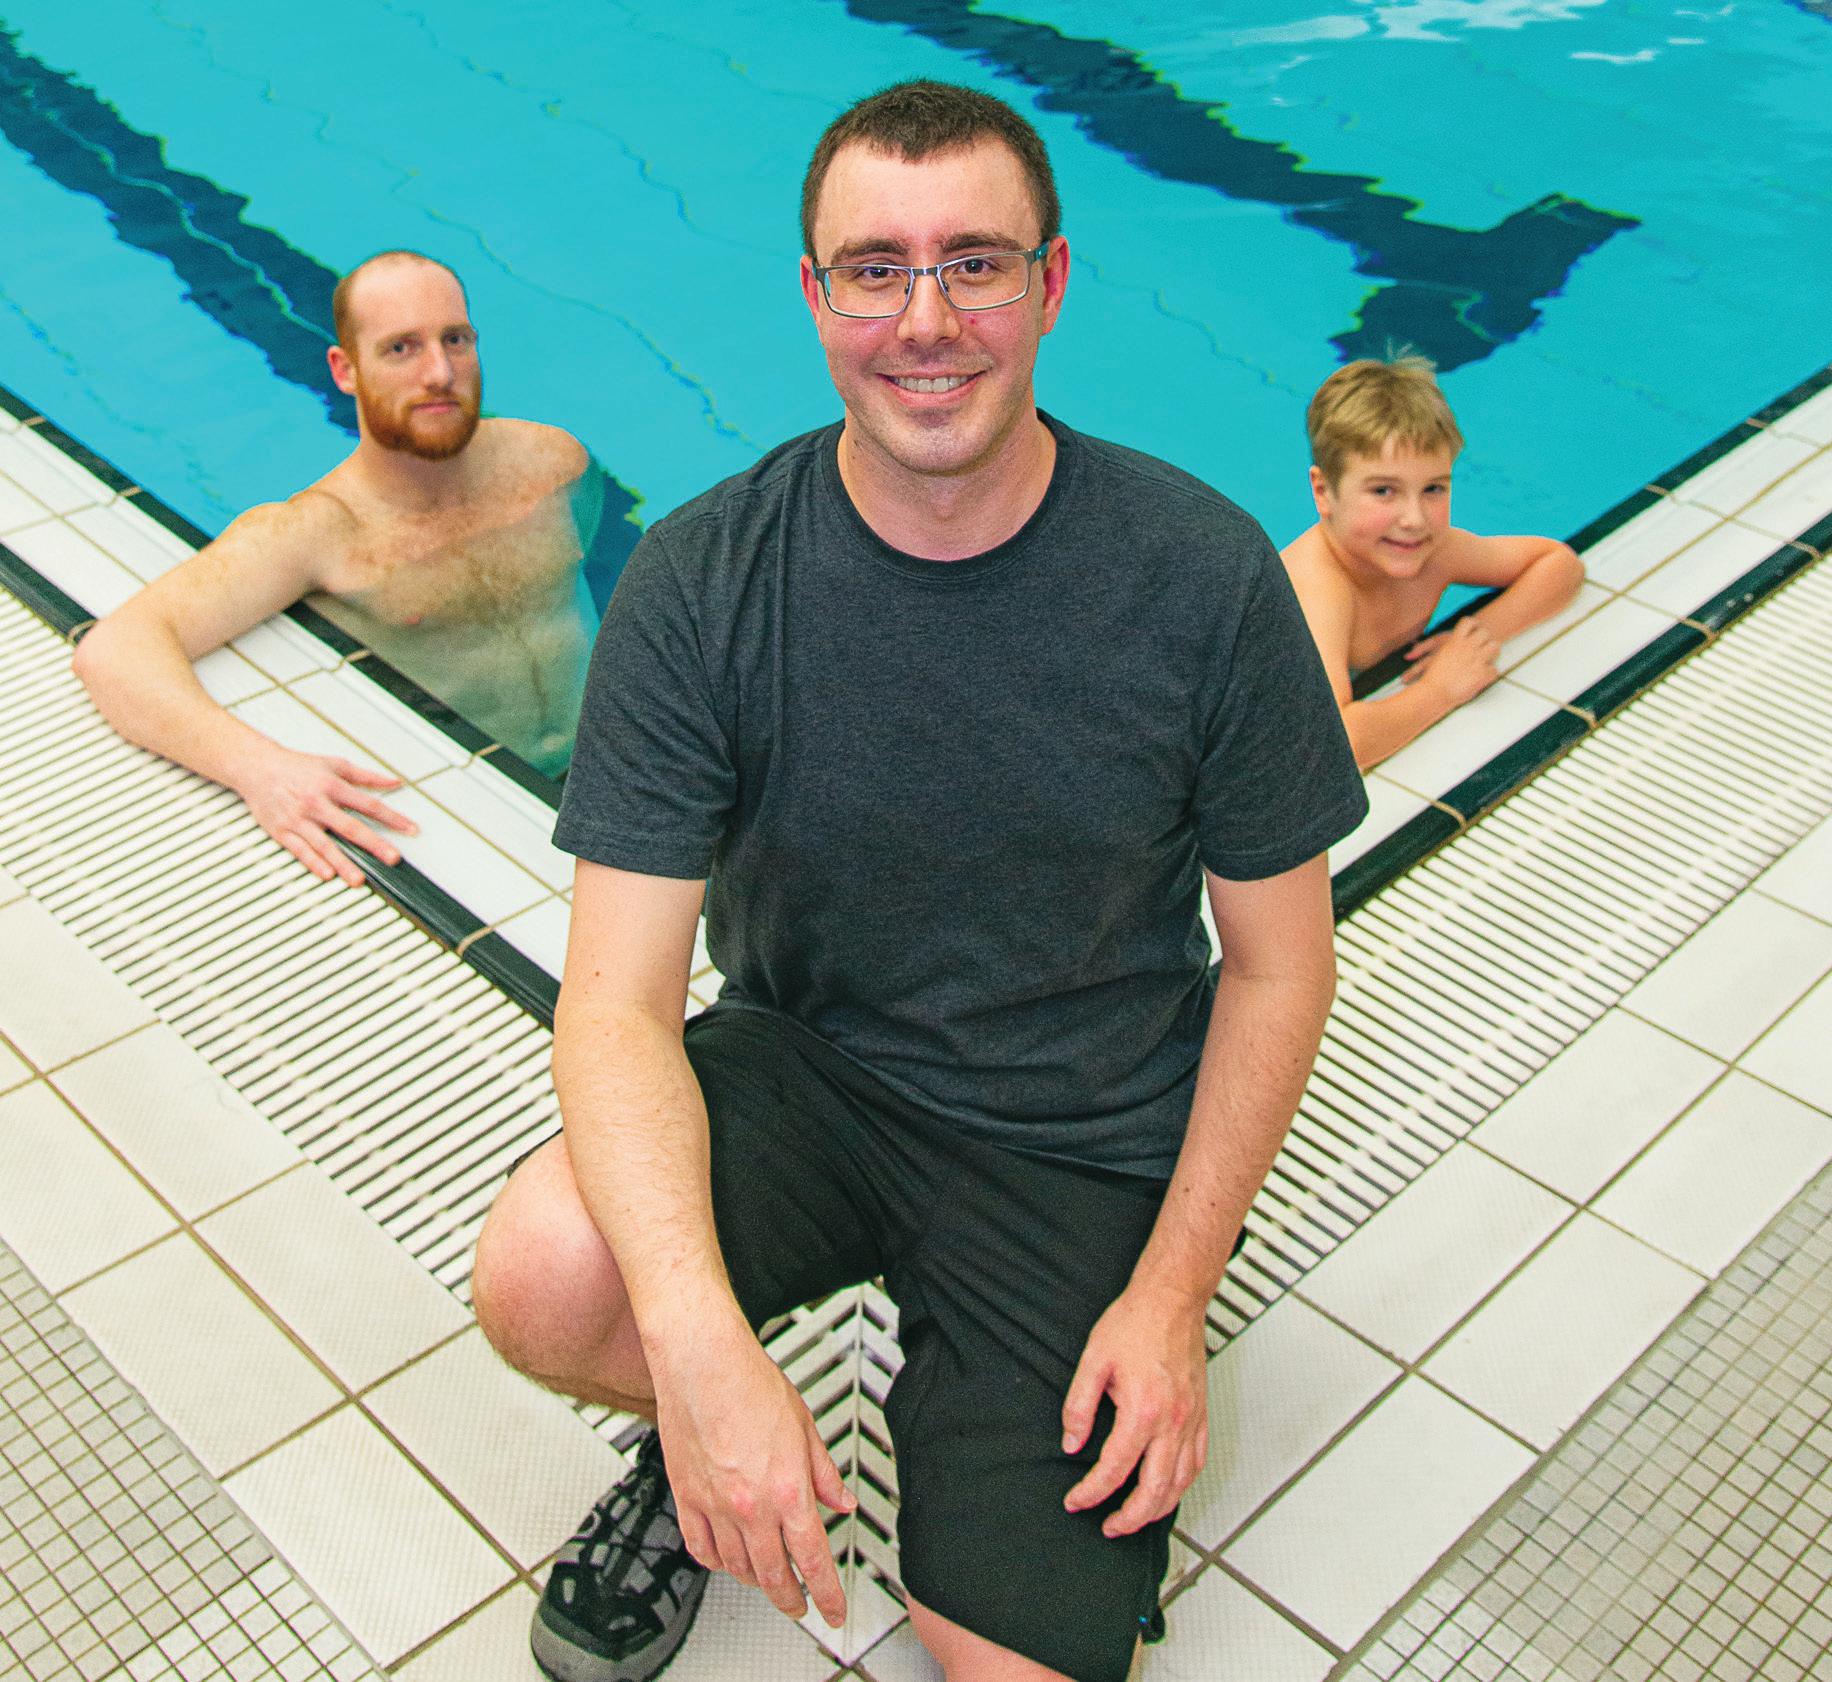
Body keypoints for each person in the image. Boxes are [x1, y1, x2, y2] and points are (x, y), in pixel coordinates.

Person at [470, 81, 1367, 1682]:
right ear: (815, 295)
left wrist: (1172, 1297)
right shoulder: (703, 581)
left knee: (1007, 1661)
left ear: (1053, 282)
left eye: (976, 263)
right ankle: (696, 1452)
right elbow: (612, 1006)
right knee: (547, 1274)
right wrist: (702, 1360)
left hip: (1082, 1131)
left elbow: (1282, 965)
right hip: (814, 1069)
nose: (927, 320)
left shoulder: (1201, 575)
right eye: (875, 270)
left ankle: (984, 1405)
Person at [73, 250, 607, 881]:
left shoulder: (554, 465)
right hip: (479, 803)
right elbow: (116, 650)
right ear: (345, 370)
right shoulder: (319, 531)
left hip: (616, 769)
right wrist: (260, 769)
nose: (439, 372)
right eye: (401, 348)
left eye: (455, 340)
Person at [1281, 356, 1585, 770]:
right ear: (1323, 492)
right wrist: (1439, 691)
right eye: (1383, 491)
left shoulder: (1434, 552)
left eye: (1433, 489)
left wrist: (1478, 637)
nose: (1415, 519)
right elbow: (1329, 747)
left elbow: (1558, 564)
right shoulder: (1316, 589)